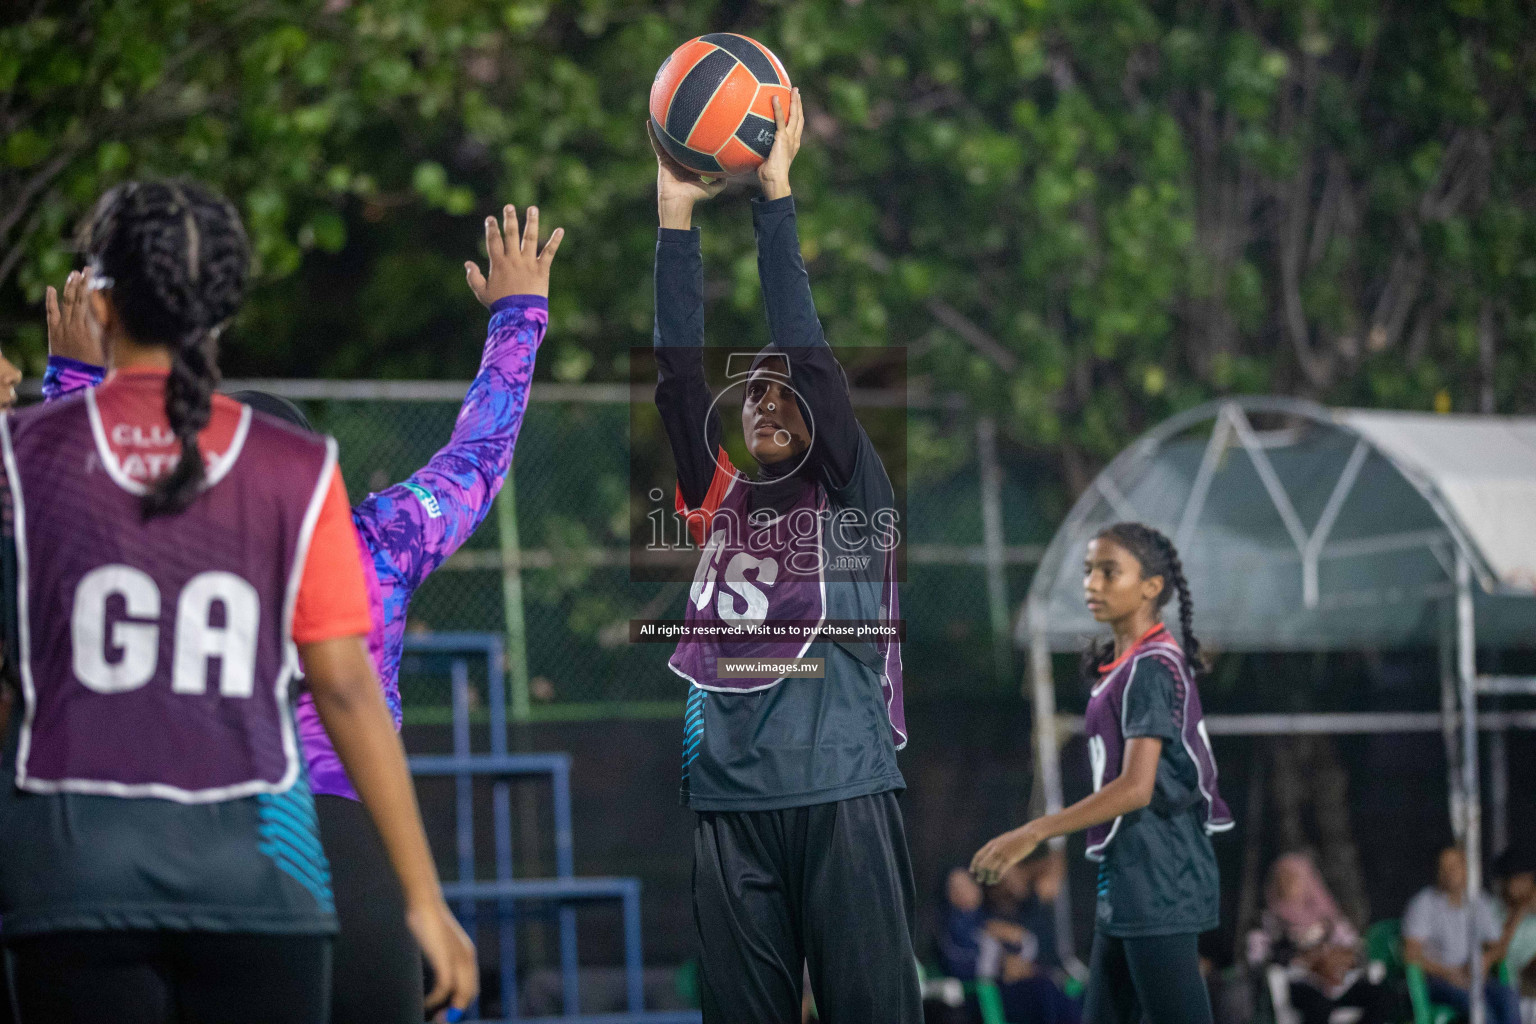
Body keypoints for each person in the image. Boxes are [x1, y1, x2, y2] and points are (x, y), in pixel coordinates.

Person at [43, 200, 563, 1024]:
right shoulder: (377, 542)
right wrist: (519, 314)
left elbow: (55, 506)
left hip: (195, 832)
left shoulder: (169, 547)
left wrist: (71, 380)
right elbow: (479, 453)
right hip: (349, 837)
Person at [650, 89, 919, 1023]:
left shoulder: (850, 489)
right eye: (753, 395)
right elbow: (679, 383)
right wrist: (674, 218)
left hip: (838, 781)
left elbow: (809, 354)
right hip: (728, 797)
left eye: (782, 394)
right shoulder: (717, 498)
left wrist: (775, 198)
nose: (763, 404)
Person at [971, 522, 1233, 1024]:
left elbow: (1136, 788)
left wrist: (1033, 832)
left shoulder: (1152, 667)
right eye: (1089, 570)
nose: (1092, 583)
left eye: (1109, 572)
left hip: (1161, 876)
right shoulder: (1126, 664)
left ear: (1152, 587)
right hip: (1129, 875)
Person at [1249, 852, 1395, 1024]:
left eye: (1295, 878)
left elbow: (1353, 945)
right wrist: (1295, 954)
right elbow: (1257, 958)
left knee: (1382, 996)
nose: (1289, 885)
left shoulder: (1327, 916)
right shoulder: (1270, 920)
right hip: (1301, 985)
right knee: (1319, 1006)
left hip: (1337, 982)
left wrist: (1331, 952)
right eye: (1284, 879)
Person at [1404, 846, 1524, 1024]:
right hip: (1438, 980)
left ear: (1467, 869)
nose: (1449, 873)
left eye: (1454, 866)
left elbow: (1498, 946)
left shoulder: (1479, 902)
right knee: (1481, 1010)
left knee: (1508, 997)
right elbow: (1411, 954)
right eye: (1444, 868)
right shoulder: (1424, 904)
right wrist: (1449, 974)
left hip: (1474, 976)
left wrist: (1486, 960)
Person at [1492, 845, 1536, 999]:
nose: (1521, 885)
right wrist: (1519, 912)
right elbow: (1497, 951)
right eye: (1516, 880)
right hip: (1513, 981)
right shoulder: (1493, 910)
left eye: (1526, 880)